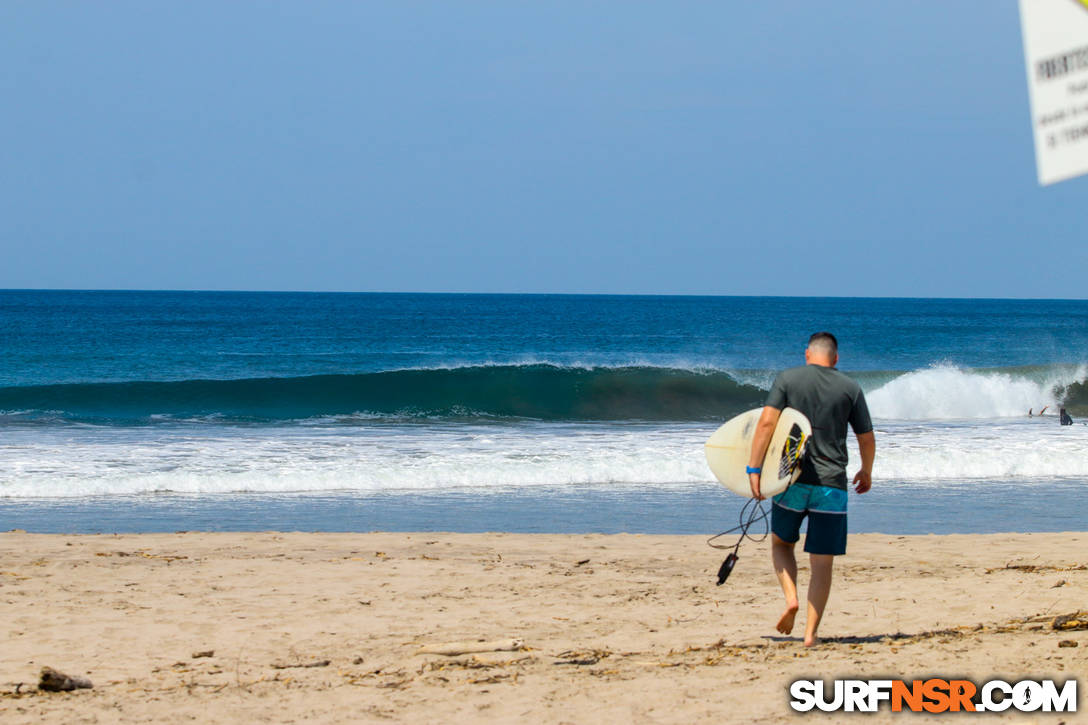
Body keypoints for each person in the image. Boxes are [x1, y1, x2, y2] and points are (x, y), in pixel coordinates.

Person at [746, 332, 875, 647]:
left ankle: (791, 599)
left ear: (807, 354)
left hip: (791, 480)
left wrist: (754, 469)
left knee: (781, 545)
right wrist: (866, 470)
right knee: (822, 563)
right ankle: (810, 634)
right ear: (835, 358)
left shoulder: (788, 379)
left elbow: (765, 424)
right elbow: (866, 437)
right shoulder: (851, 388)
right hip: (831, 485)